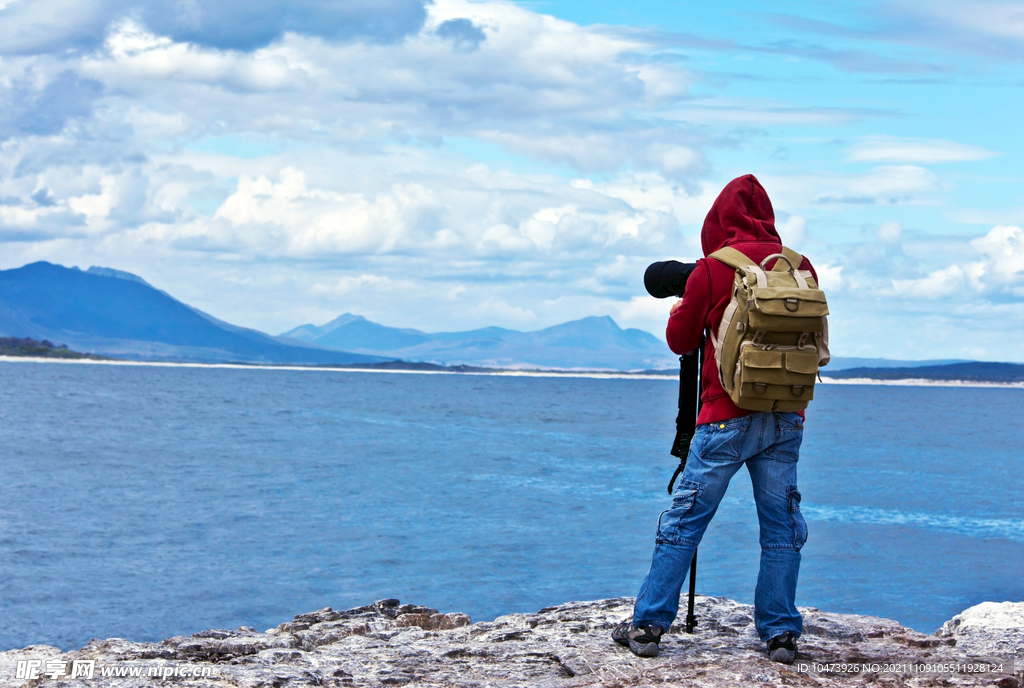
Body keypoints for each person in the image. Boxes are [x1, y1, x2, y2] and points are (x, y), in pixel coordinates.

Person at [612, 174, 819, 663]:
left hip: (724, 419)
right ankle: (781, 632)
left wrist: (687, 300)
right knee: (782, 524)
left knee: (685, 521)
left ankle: (647, 625)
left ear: (716, 219)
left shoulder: (712, 269)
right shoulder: (799, 266)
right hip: (787, 415)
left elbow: (681, 341)